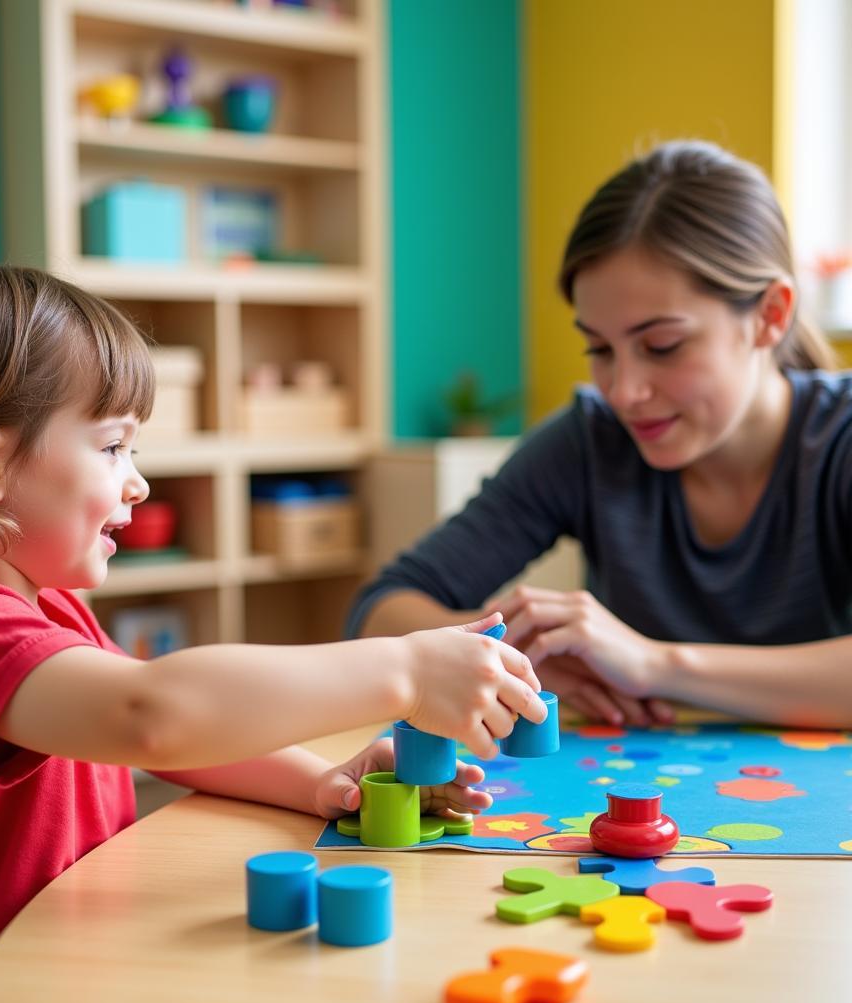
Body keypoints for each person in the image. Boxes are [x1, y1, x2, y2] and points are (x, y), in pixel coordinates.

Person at [0, 258, 547, 1003]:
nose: (137, 483)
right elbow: (151, 714)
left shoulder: (49, 610)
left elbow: (167, 744)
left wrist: (319, 783)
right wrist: (403, 668)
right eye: (112, 449)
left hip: (57, 980)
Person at [349, 139, 852, 731]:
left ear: (770, 315)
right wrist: (513, 660)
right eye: (600, 348)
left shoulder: (839, 443)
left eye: (662, 346)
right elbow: (382, 609)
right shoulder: (590, 442)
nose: (624, 390)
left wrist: (659, 664)